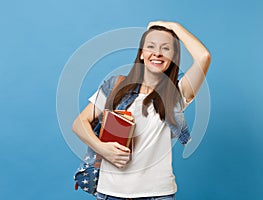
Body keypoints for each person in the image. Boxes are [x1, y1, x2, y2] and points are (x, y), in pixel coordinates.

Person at [72, 21, 211, 200]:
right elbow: (79, 124)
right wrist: (102, 149)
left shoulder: (176, 93)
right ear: (142, 54)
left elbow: (204, 57)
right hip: (110, 193)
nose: (157, 53)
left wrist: (172, 27)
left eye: (166, 48)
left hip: (157, 194)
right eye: (151, 46)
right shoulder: (116, 86)